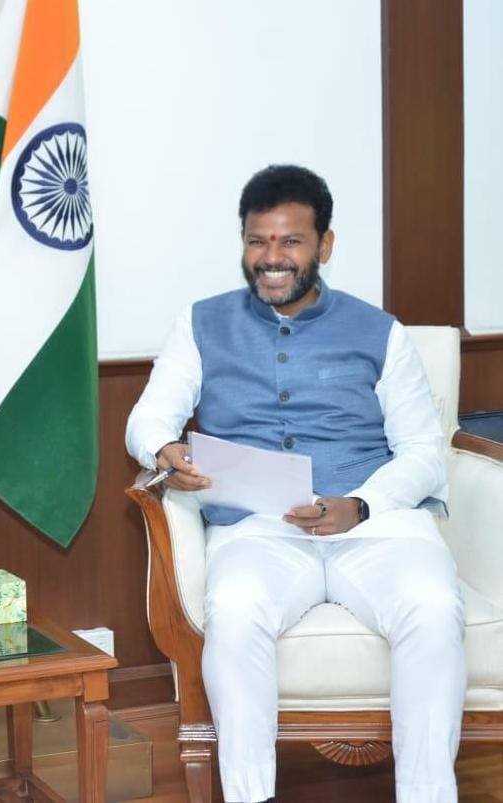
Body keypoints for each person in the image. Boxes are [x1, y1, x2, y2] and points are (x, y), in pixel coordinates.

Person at [125, 165, 465, 803]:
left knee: (431, 604)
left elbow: (424, 452)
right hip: (258, 529)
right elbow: (146, 420)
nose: (271, 258)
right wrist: (166, 448)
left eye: (291, 241)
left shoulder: (381, 332)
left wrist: (361, 504)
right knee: (235, 608)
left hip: (377, 528)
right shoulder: (200, 324)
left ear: (324, 246)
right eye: (258, 241)